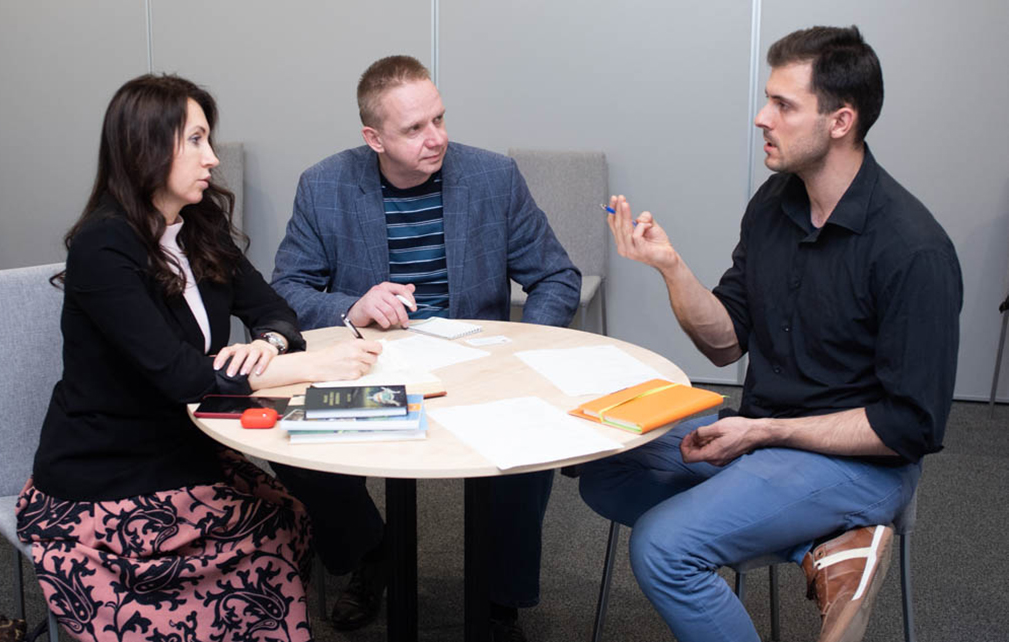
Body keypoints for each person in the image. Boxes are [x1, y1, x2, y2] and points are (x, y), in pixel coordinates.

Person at [579, 26, 962, 642]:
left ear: (840, 121)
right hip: (763, 439)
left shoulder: (913, 250)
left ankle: (825, 530)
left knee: (663, 549)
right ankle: (824, 549)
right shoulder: (774, 204)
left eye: (783, 105)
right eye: (767, 100)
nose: (762, 118)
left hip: (861, 466)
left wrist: (764, 431)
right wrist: (671, 267)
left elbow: (909, 427)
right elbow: (725, 342)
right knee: (604, 473)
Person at [16, 74, 382, 642]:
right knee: (274, 531)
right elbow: (179, 374)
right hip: (108, 469)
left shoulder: (199, 226)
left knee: (287, 520)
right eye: (195, 140)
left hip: (186, 446)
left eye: (207, 139)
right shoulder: (103, 245)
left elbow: (275, 310)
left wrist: (268, 344)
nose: (211, 157)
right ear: (145, 147)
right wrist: (305, 366)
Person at [270, 55, 581, 640]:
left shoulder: (493, 177)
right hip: (370, 361)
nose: (436, 137)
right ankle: (373, 552)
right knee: (294, 445)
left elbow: (557, 277)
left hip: (478, 363)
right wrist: (352, 306)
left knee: (527, 446)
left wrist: (522, 350)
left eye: (438, 119)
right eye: (414, 128)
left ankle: (499, 600)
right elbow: (287, 287)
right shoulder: (324, 184)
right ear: (374, 139)